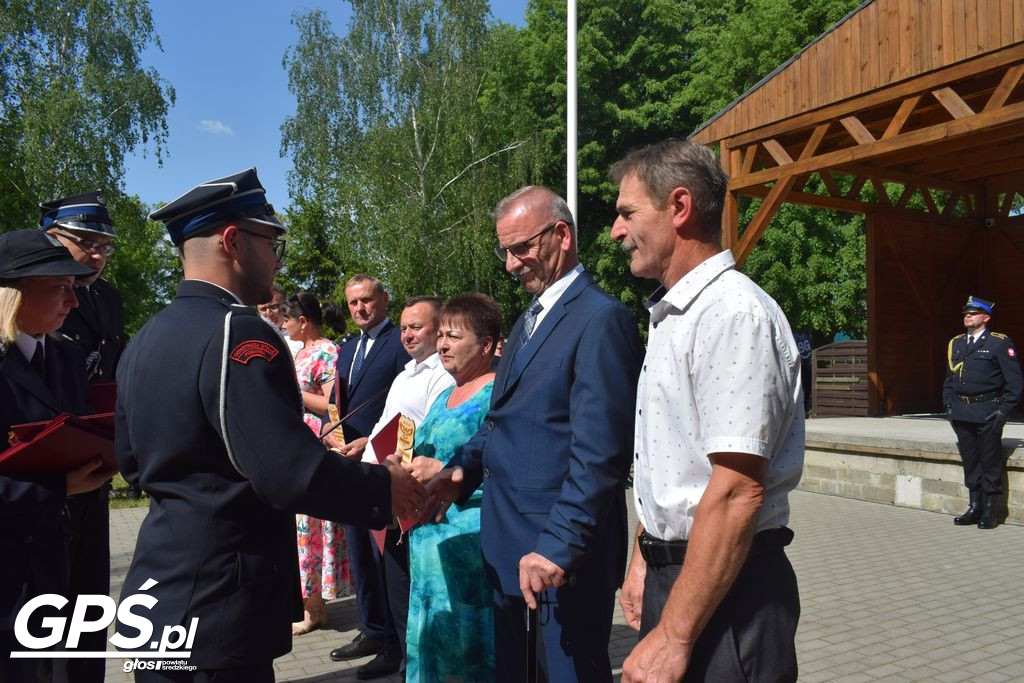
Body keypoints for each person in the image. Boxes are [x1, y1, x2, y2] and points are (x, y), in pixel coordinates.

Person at [115, 169, 424, 681]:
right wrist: (383, 488)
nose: (277, 259)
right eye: (271, 242)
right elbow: (286, 471)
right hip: (221, 600)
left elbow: (130, 461)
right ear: (233, 241)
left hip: (161, 591)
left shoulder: (147, 336)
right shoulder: (240, 333)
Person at [608, 139, 804, 682]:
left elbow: (737, 490)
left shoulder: (732, 314)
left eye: (627, 213)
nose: (616, 231)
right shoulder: (677, 315)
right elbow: (676, 460)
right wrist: (645, 556)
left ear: (679, 207)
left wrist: (673, 636)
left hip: (729, 589)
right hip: (689, 578)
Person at [430, 186, 643, 682]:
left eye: (521, 247)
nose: (510, 264)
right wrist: (459, 471)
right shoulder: (529, 318)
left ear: (561, 235)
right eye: (504, 250)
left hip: (557, 557)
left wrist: (560, 547)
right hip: (508, 549)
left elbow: (601, 455)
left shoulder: (600, 319)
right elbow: (503, 421)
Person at [0, 229, 116, 682]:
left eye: (74, 288)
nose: (72, 302)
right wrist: (56, 488)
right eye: (59, 288)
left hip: (76, 549)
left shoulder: (67, 357)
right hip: (14, 568)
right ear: (13, 293)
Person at [325, 295, 454, 679]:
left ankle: (413, 663)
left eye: (417, 326)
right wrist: (366, 463)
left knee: (410, 589)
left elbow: (429, 435)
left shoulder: (441, 374)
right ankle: (396, 653)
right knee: (390, 585)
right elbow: (383, 427)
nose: (409, 334)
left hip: (414, 497)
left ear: (439, 328)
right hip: (383, 489)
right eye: (405, 328)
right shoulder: (404, 375)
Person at [37, 190, 125, 681]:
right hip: (41, 470)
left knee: (90, 598)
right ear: (51, 237)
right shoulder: (26, 292)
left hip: (95, 464)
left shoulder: (105, 298)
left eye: (105, 246)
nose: (97, 254)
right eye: (86, 242)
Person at [404, 293, 500, 682]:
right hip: (428, 547)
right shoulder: (444, 393)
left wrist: (444, 469)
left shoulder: (495, 394)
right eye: (441, 334)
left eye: (454, 336)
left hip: (468, 548)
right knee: (432, 642)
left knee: (466, 648)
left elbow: (499, 464)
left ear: (487, 345)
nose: (442, 344)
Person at [324, 274, 411, 679]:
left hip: (382, 461)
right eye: (353, 303)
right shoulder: (346, 349)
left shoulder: (401, 342)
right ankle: (372, 627)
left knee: (384, 556)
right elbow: (337, 402)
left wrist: (372, 443)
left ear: (384, 299)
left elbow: (406, 406)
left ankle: (396, 640)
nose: (360, 308)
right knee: (360, 552)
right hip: (347, 462)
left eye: (367, 300)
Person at [280, 291, 351, 635]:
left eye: (288, 319)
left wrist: (291, 393)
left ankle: (315, 607)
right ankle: (310, 603)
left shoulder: (327, 351)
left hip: (315, 445)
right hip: (294, 447)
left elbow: (331, 405)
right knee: (300, 527)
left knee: (313, 527)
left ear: (303, 322)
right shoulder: (300, 353)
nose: (283, 324)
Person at [942, 296, 1022, 529]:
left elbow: (1015, 383)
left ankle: (991, 511)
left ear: (986, 317)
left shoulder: (999, 343)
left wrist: (1003, 412)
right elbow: (949, 379)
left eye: (974, 313)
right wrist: (949, 406)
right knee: (971, 462)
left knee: (990, 462)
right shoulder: (956, 343)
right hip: (961, 412)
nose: (968, 316)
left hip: (988, 411)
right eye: (966, 313)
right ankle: (974, 507)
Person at [260, 283, 303, 356]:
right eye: (263, 309)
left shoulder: (300, 337)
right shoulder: (253, 337)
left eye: (273, 307)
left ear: (285, 306)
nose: (268, 313)